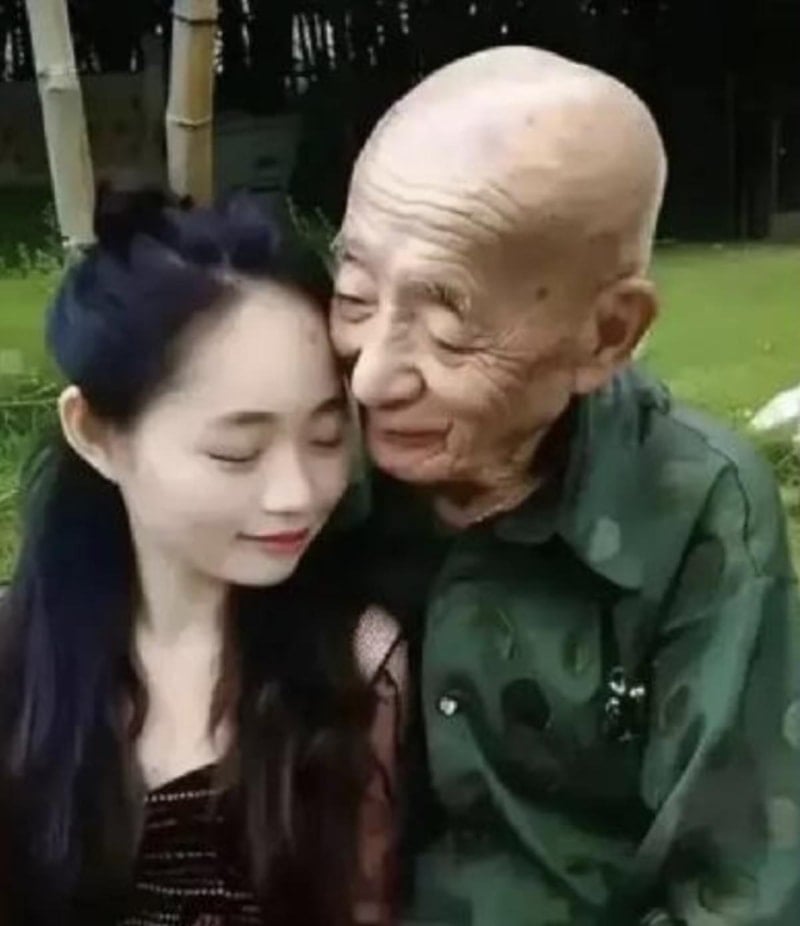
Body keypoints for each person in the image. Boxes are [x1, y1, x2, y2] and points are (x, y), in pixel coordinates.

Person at [330, 46, 800, 925]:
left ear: (608, 335)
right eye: (354, 296)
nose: (371, 377)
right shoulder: (299, 453)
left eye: (448, 331)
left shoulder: (697, 511)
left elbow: (736, 891)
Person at [0, 190, 404, 926]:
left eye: (325, 437)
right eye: (236, 452)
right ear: (96, 434)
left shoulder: (359, 666)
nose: (296, 494)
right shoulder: (20, 662)